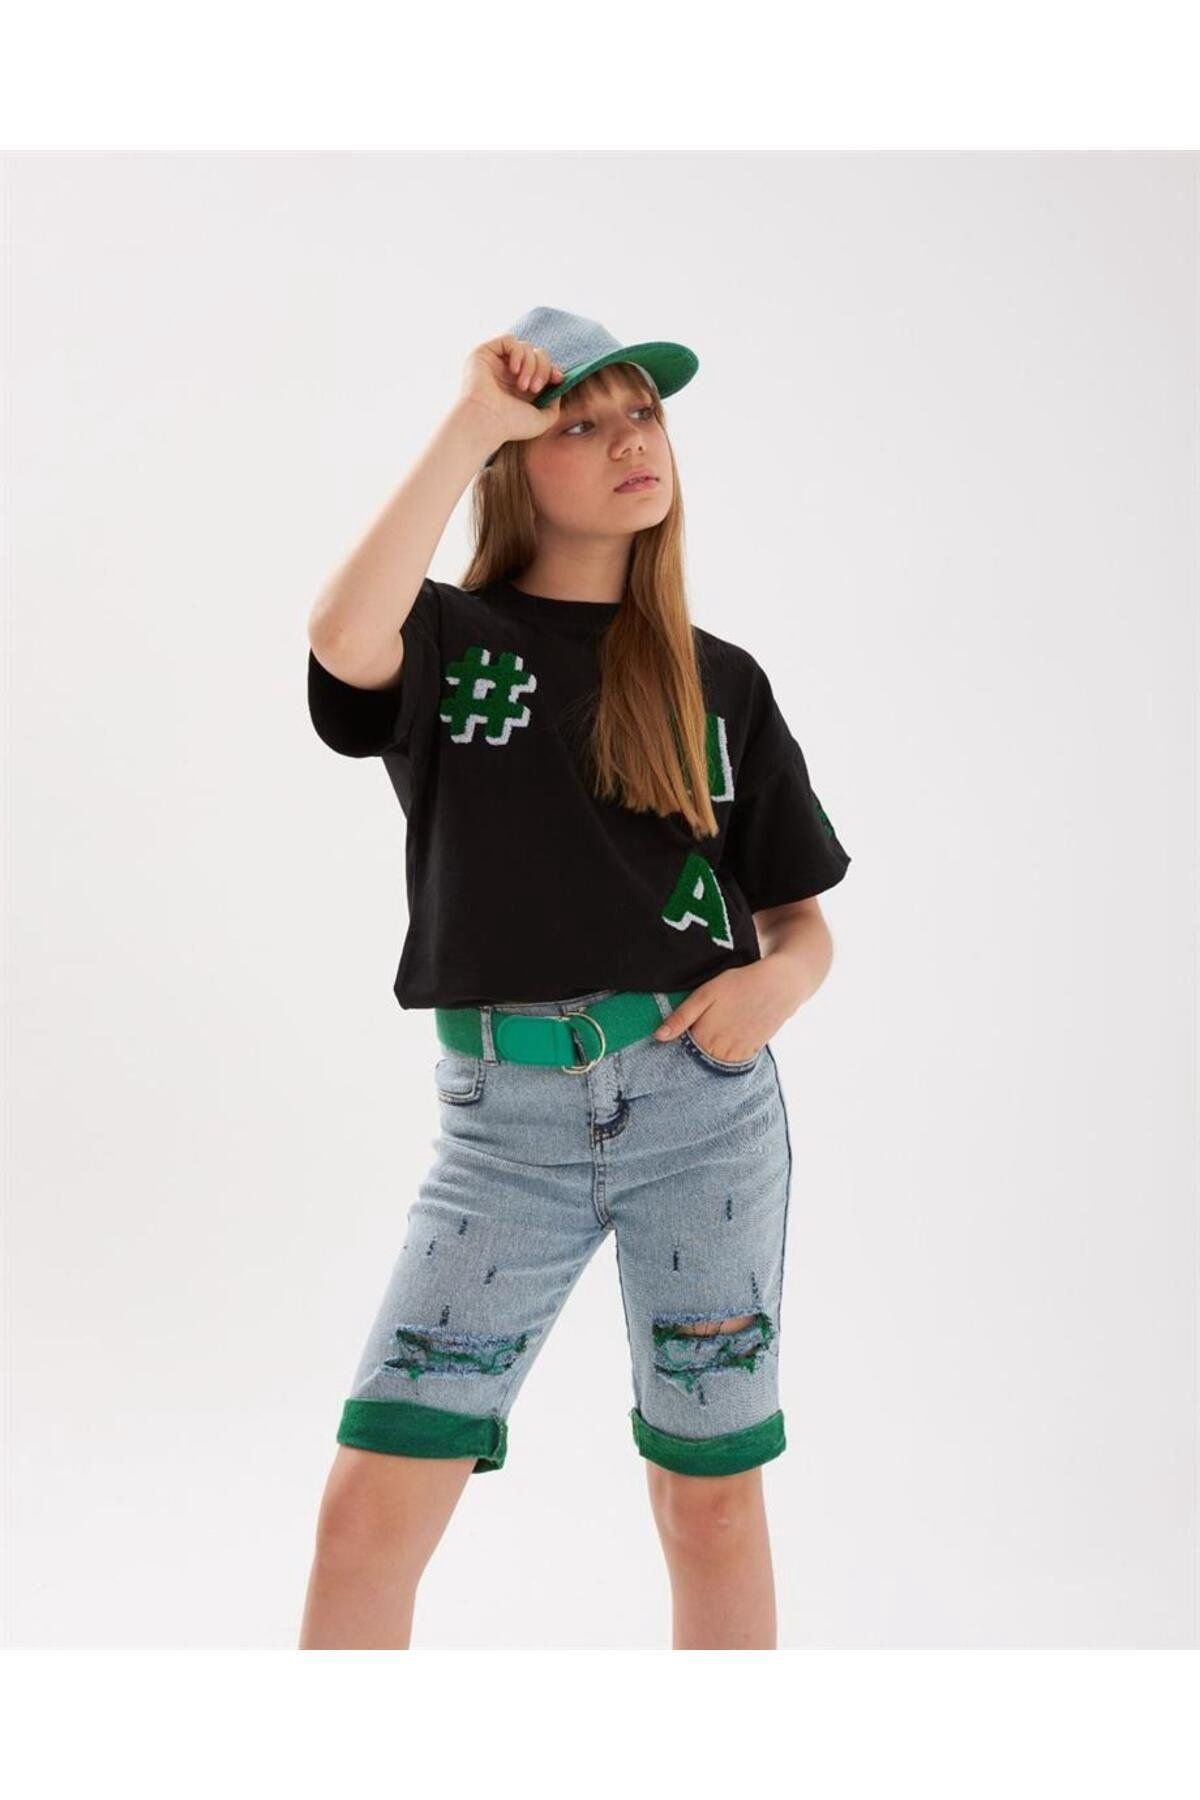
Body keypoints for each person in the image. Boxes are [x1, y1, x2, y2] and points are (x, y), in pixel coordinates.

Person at [298, 305, 852, 1650]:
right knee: (371, 1512)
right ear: (512, 463)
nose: (628, 442)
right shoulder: (448, 643)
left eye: (643, 415)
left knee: (710, 1507)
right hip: (503, 1141)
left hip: (703, 1115)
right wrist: (470, 422)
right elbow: (341, 637)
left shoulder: (720, 682)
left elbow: (802, 920)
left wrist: (777, 986)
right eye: (581, 424)